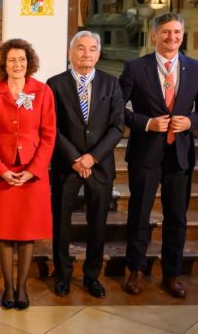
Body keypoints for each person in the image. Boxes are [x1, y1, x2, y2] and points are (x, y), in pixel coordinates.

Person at [120, 13, 198, 298]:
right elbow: (118, 109)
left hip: (180, 154)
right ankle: (135, 269)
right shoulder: (135, 68)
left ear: (182, 35)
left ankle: (172, 272)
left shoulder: (196, 68)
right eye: (165, 32)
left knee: (177, 216)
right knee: (139, 213)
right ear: (154, 35)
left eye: (176, 32)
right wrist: (146, 123)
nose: (171, 37)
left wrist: (192, 122)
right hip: (146, 152)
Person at [48, 31, 124, 299]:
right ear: (71, 53)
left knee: (98, 223)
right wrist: (75, 158)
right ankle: (63, 273)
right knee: (61, 223)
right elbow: (52, 127)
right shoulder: (54, 84)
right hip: (65, 165)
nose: (86, 54)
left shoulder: (111, 84)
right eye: (80, 48)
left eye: (92, 49)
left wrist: (93, 157)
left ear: (98, 53)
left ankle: (92, 276)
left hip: (100, 165)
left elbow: (117, 126)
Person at [0, 38, 55, 310]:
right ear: (3, 62)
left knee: (26, 232)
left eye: (22, 60)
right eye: (12, 59)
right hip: (3, 171)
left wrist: (34, 170)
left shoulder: (43, 91)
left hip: (31, 172)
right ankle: (8, 287)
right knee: (4, 232)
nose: (17, 64)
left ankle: (22, 287)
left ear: (29, 62)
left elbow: (48, 135)